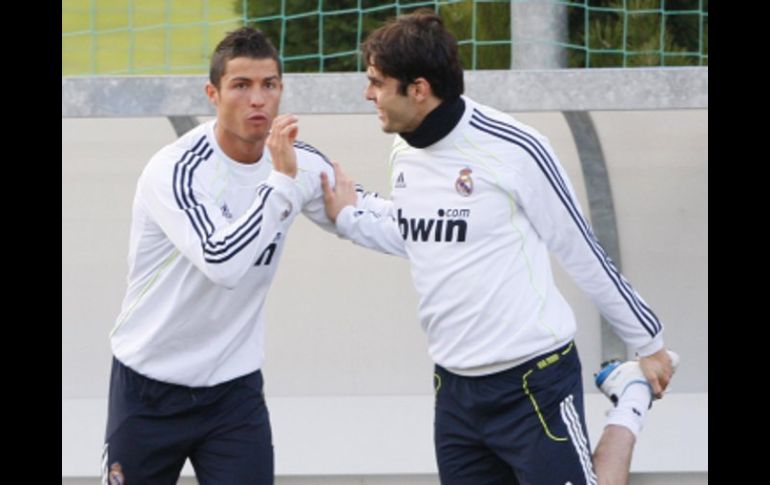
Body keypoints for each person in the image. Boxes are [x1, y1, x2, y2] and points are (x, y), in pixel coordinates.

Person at [313, 11, 677, 485]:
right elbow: (422, 234)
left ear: (418, 89)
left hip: (533, 381)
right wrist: (348, 217)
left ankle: (630, 402)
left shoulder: (515, 148)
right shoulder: (404, 150)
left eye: (377, 82)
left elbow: (581, 249)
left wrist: (648, 342)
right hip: (455, 392)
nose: (368, 94)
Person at [102, 27, 372, 484]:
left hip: (232, 392)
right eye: (241, 86)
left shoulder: (295, 160)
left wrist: (456, 231)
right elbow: (222, 261)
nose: (258, 100)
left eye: (269, 85)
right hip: (148, 387)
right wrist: (282, 185)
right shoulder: (175, 169)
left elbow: (366, 212)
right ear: (213, 93)